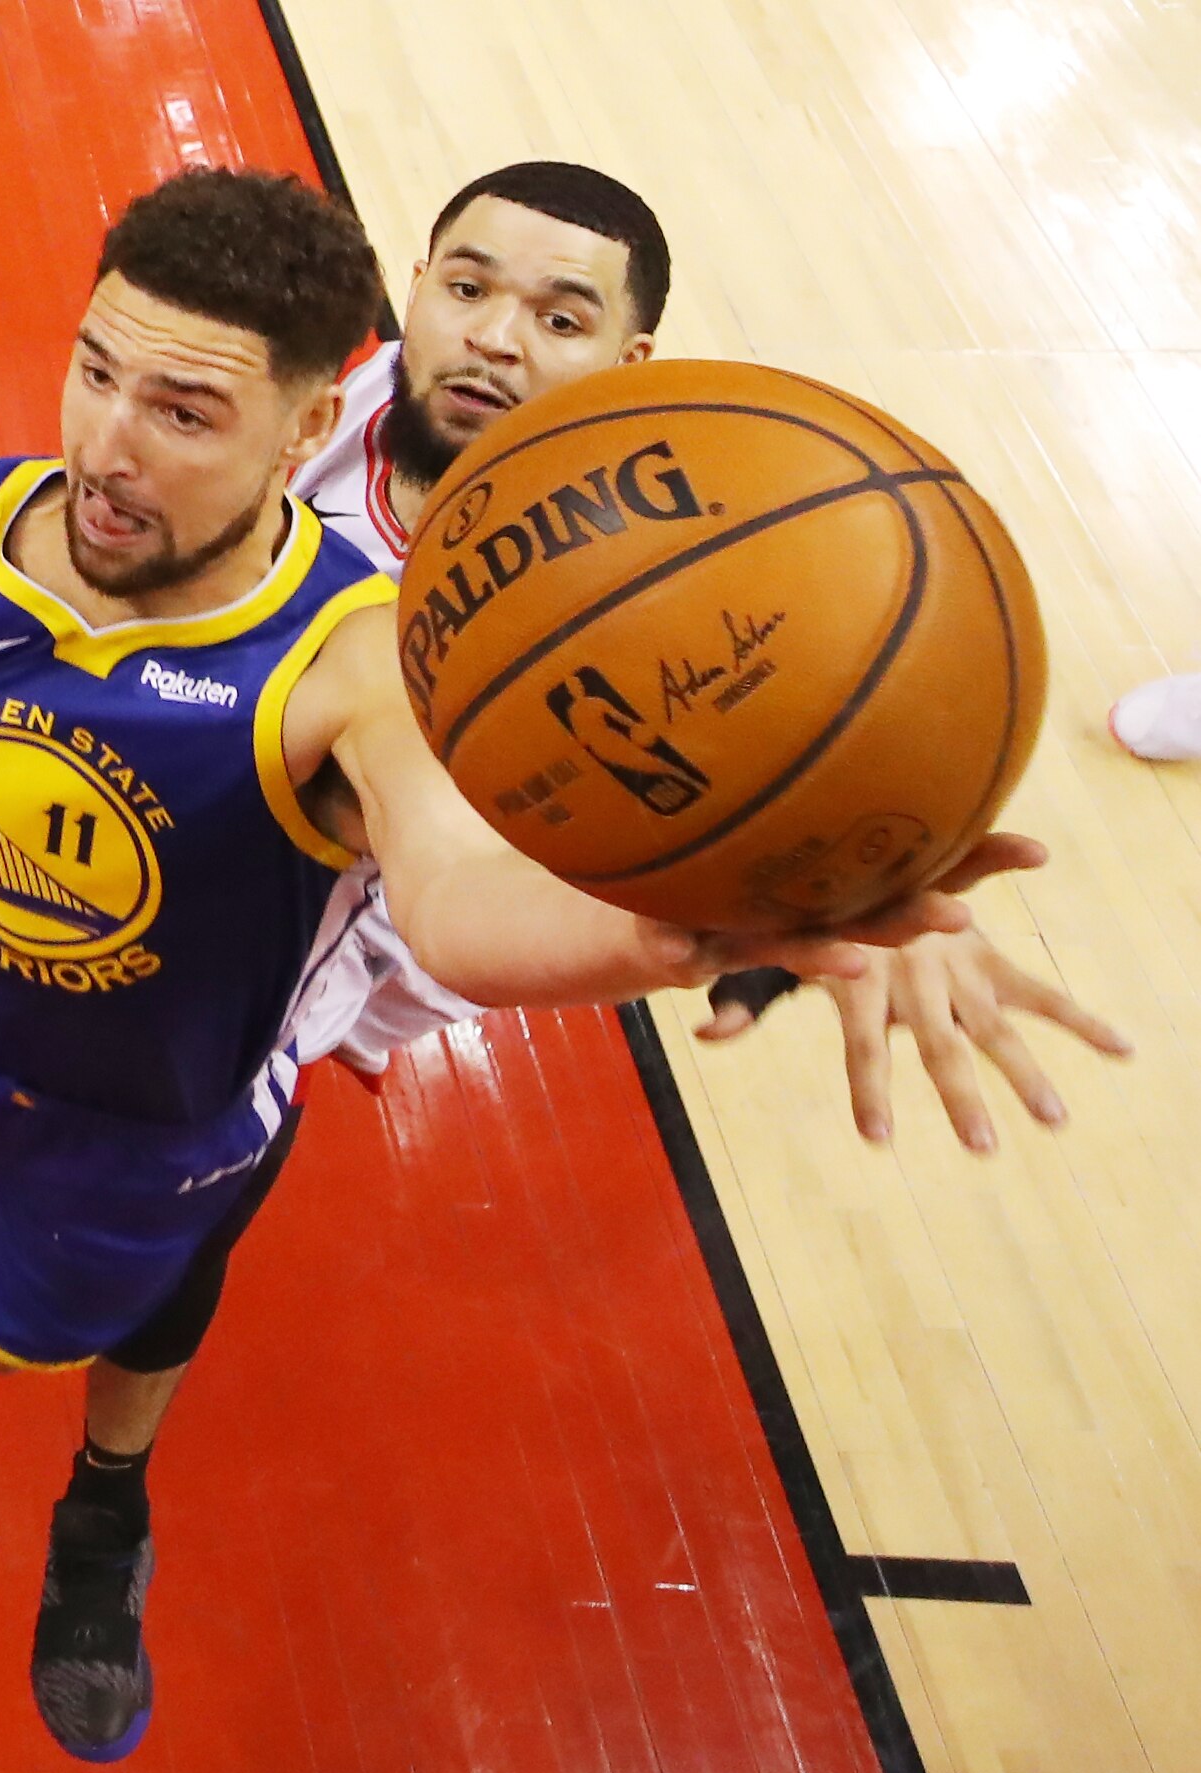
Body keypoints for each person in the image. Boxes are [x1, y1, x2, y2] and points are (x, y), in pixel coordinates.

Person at [0, 167, 1059, 1762]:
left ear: (305, 417)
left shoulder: (361, 660)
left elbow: (449, 901)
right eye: (94, 372)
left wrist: (695, 934)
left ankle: (62, 1452)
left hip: (159, 1092)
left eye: (181, 412)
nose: (107, 443)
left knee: (46, 1323)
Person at [295, 160, 1126, 1147]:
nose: (493, 340)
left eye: (560, 321)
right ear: (420, 281)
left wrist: (840, 887)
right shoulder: (332, 412)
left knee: (350, 1009)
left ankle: (349, 1030)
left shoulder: (689, 559)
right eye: (466, 290)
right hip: (258, 837)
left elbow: (795, 724)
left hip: (441, 905)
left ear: (629, 362)